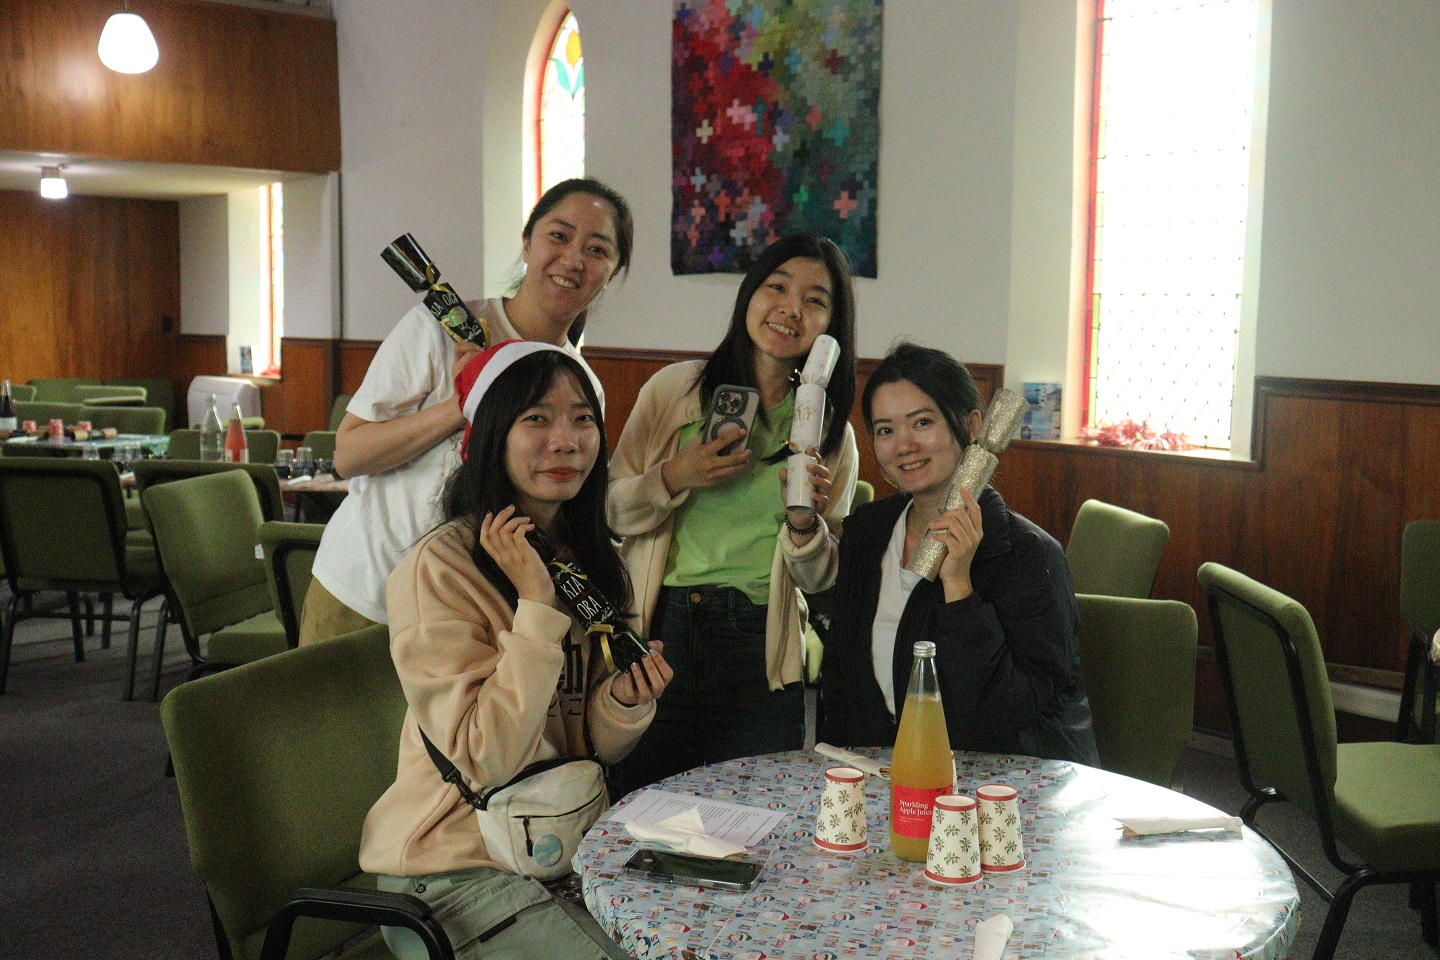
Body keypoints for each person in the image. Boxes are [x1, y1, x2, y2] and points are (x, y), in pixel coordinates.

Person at [360, 340, 672, 960]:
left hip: (558, 842)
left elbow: (583, 746)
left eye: (583, 418)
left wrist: (622, 705)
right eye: (537, 419)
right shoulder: (440, 570)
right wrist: (535, 605)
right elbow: (485, 758)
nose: (566, 440)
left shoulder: (593, 561)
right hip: (449, 869)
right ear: (493, 437)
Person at [301, 177, 632, 644]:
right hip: (367, 593)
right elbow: (349, 455)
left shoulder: (582, 388)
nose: (574, 259)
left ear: (612, 271)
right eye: (558, 236)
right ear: (526, 244)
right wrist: (462, 403)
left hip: (469, 612)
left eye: (598, 250)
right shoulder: (438, 330)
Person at [608, 233, 860, 793]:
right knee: (643, 810)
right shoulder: (674, 392)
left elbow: (821, 582)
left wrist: (805, 525)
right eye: (777, 286)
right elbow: (609, 511)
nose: (791, 309)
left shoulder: (828, 436)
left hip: (760, 647)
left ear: (832, 329)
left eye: (816, 300)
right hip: (662, 633)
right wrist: (674, 476)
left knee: (755, 822)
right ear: (750, 293)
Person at [815, 343, 1098, 764]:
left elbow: (1006, 715)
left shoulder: (1028, 556)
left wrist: (959, 586)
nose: (904, 445)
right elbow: (840, 686)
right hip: (883, 779)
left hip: (998, 790)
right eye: (885, 430)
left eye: (922, 422)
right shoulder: (868, 532)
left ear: (971, 426)